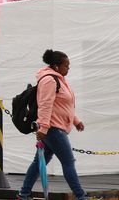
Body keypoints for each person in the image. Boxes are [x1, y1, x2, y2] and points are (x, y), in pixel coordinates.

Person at [18, 49, 99, 200]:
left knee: (38, 162)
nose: (68, 68)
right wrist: (43, 128)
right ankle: (81, 196)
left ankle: (23, 194)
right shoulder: (50, 80)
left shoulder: (59, 79)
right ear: (56, 66)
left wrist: (75, 121)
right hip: (53, 129)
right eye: (66, 66)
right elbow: (45, 105)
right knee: (68, 162)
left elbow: (63, 105)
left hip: (52, 128)